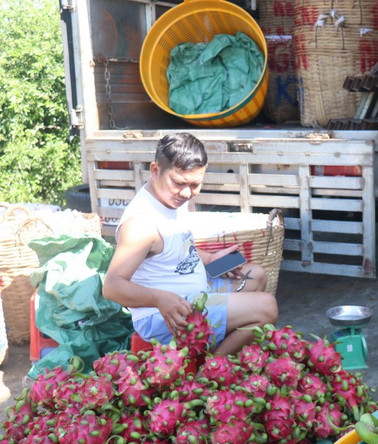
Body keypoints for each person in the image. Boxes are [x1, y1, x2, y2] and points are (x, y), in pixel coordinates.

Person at [103, 132, 278, 355]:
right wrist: (158, 299)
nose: (187, 193)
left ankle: (212, 346)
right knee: (267, 307)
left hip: (194, 291)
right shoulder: (141, 224)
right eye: (179, 183)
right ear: (155, 170)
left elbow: (180, 250)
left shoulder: (174, 199)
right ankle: (211, 368)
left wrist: (213, 260)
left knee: (256, 273)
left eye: (195, 185)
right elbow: (111, 287)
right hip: (163, 314)